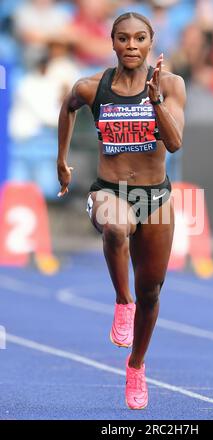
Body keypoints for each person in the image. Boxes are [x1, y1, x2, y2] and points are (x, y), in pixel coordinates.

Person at [57, 12, 186, 410]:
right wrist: (60, 160)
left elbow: (176, 142)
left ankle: (136, 366)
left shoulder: (170, 84)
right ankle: (121, 301)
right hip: (109, 190)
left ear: (151, 43)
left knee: (153, 292)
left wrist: (155, 102)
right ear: (112, 43)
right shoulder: (93, 86)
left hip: (156, 197)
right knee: (115, 227)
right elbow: (68, 105)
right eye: (123, 38)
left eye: (140, 38)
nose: (131, 45)